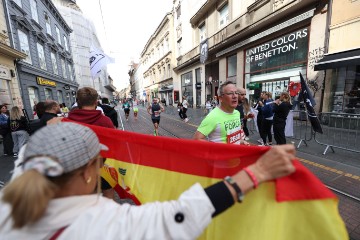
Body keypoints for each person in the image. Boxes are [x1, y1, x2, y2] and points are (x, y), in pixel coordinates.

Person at [0, 122, 296, 239]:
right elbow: (181, 216)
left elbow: (29, 154)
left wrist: (52, 134)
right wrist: (258, 173)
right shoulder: (105, 224)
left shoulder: (8, 203)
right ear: (90, 171)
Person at [68, 87, 115, 199]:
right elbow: (114, 143)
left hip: (79, 167)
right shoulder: (105, 121)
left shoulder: (69, 120)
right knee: (108, 194)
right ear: (96, 102)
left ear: (78, 102)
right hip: (102, 164)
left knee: (88, 199)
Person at [193, 81, 248, 145]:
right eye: (230, 93)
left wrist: (241, 141)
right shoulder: (213, 117)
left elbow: (233, 138)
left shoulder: (237, 113)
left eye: (236, 93)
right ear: (220, 98)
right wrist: (219, 150)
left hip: (236, 153)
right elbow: (196, 139)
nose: (235, 96)